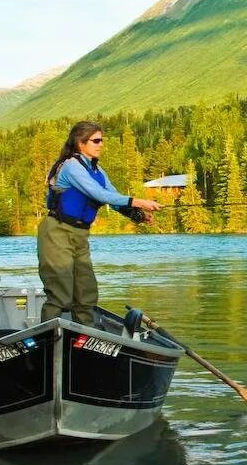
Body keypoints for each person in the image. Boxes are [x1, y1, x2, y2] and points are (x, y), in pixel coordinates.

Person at [37, 121, 162, 324]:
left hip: (80, 236)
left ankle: (83, 339)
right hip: (56, 232)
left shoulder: (97, 171)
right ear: (80, 143)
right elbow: (98, 194)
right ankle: (47, 339)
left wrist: (135, 213)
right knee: (60, 294)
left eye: (101, 140)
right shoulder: (71, 167)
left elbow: (112, 196)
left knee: (86, 293)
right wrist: (139, 201)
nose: (101, 144)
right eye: (96, 140)